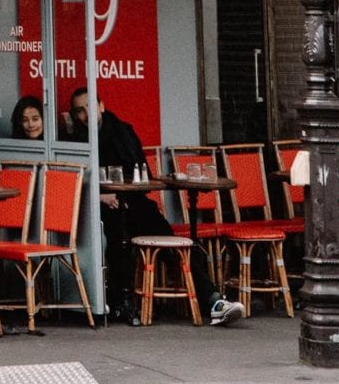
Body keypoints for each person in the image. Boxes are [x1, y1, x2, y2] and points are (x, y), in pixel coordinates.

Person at [67, 88, 243, 327]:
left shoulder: (123, 132)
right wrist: (100, 197)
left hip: (135, 203)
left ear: (102, 106)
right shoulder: (72, 142)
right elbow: (71, 182)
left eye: (90, 106)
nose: (86, 114)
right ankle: (123, 302)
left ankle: (212, 301)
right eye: (80, 110)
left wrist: (123, 195)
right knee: (118, 241)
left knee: (174, 245)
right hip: (99, 211)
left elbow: (142, 174)